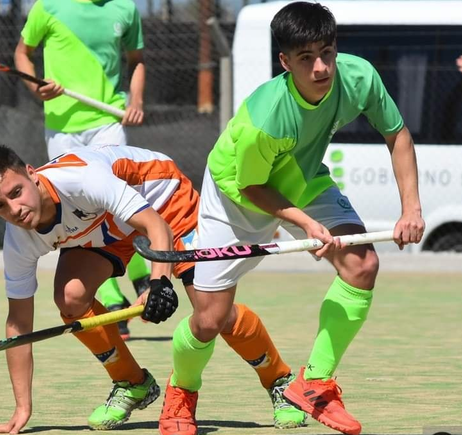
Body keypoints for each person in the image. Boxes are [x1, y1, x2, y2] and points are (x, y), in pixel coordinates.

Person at [157, 3, 425, 435]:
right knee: (209, 321)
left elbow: (398, 135)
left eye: (327, 53)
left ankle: (314, 383)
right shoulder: (266, 117)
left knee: (362, 265)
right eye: (306, 58)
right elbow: (252, 187)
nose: (321, 68)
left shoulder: (358, 77)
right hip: (235, 195)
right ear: (285, 61)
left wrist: (411, 208)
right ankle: (180, 395)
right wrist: (303, 223)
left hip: (304, 178)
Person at [0, 144, 186, 434]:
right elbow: (18, 322)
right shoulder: (18, 238)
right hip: (105, 224)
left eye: (15, 192)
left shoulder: (81, 180)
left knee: (210, 313)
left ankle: (269, 377)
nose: (14, 210)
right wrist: (22, 408)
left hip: (162, 198)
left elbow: (156, 226)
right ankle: (134, 384)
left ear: (32, 174)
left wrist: (160, 283)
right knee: (71, 299)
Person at [14, 0, 151, 340]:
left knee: (115, 202)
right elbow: (22, 53)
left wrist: (135, 101)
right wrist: (37, 88)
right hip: (62, 125)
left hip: (108, 119)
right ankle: (113, 300)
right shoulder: (48, 7)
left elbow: (137, 61)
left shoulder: (125, 8)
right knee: (81, 215)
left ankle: (141, 276)